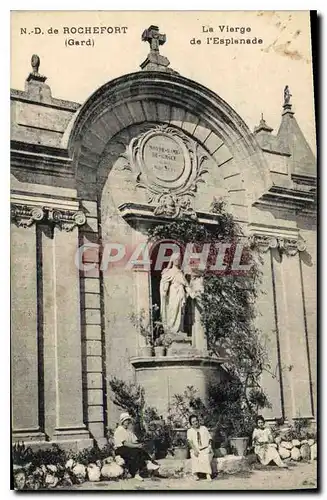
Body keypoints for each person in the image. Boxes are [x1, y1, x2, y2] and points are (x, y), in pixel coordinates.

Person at [113, 412, 160, 481]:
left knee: (140, 451)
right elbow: (125, 443)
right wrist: (137, 445)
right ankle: (136, 474)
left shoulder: (129, 431)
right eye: (126, 420)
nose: (128, 422)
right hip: (120, 449)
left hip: (128, 448)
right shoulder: (119, 430)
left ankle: (148, 463)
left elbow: (135, 440)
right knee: (135, 452)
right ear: (122, 421)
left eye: (128, 420)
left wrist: (141, 444)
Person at [160, 253, 190, 334]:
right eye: (176, 259)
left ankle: (180, 329)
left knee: (181, 310)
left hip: (181, 292)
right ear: (172, 260)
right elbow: (165, 283)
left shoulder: (181, 273)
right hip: (173, 292)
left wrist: (191, 293)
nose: (177, 261)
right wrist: (164, 291)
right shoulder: (168, 271)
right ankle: (172, 328)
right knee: (173, 309)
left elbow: (186, 285)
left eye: (178, 259)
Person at [187, 414, 213, 481]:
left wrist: (210, 447)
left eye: (196, 421)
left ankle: (208, 474)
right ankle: (195, 474)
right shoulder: (190, 431)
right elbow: (190, 441)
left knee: (206, 456)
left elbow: (210, 439)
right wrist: (195, 450)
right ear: (191, 424)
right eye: (193, 422)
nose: (195, 422)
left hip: (205, 448)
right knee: (194, 455)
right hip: (196, 449)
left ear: (198, 421)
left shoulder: (204, 428)